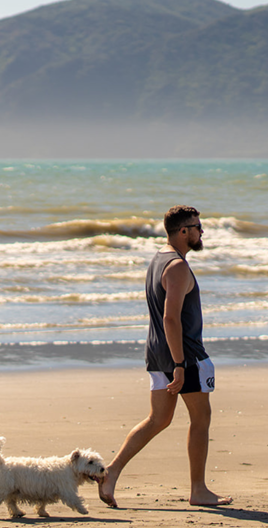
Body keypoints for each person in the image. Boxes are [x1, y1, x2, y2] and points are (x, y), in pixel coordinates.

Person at [99, 205, 232, 508]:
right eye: (198, 227)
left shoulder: (158, 260)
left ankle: (111, 472)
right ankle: (198, 490)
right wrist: (181, 366)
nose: (202, 232)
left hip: (156, 351)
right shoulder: (178, 267)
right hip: (182, 354)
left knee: (158, 419)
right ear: (184, 231)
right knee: (201, 418)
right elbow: (171, 319)